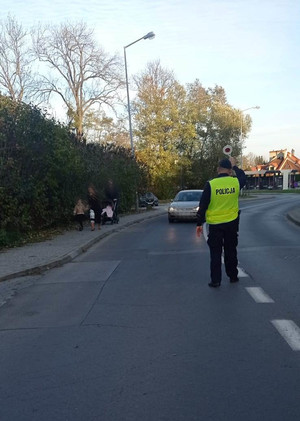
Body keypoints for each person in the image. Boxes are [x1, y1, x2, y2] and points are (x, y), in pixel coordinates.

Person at [196, 157, 246, 288]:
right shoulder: (235, 182)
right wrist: (235, 167)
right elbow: (243, 177)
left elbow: (203, 205)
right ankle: (233, 276)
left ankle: (216, 280)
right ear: (229, 171)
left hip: (215, 225)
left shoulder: (211, 184)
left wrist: (199, 223)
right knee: (231, 250)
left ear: (218, 169)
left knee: (216, 253)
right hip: (232, 223)